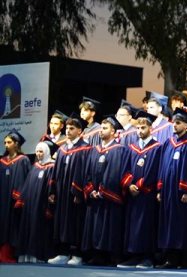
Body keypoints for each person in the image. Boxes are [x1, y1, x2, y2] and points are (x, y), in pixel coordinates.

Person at [156, 108, 187, 269]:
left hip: (182, 192)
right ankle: (171, 258)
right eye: (173, 123)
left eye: (178, 123)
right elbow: (162, 166)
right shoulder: (168, 143)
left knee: (183, 224)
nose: (175, 126)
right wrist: (160, 188)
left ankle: (185, 259)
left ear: (186, 125)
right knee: (169, 223)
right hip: (168, 191)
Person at [81, 116, 130, 265]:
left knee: (110, 227)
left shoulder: (119, 149)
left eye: (105, 128)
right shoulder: (95, 150)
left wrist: (103, 190)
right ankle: (97, 255)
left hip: (109, 198)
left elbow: (115, 173)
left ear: (113, 131)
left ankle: (111, 256)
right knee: (95, 226)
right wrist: (91, 189)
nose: (101, 131)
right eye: (101, 128)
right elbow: (87, 172)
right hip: (95, 197)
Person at [47, 117, 94, 266]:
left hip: (75, 194)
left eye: (72, 128)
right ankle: (63, 252)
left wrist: (79, 192)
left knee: (75, 222)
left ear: (79, 131)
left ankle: (77, 254)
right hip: (62, 192)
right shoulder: (62, 149)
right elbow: (55, 172)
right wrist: (52, 191)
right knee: (61, 221)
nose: (68, 131)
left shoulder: (86, 149)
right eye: (67, 128)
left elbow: (87, 172)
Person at [119, 111, 163, 268]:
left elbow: (155, 170)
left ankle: (147, 258)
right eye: (138, 128)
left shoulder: (157, 148)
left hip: (147, 194)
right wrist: (129, 184)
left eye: (143, 128)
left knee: (146, 225)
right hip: (133, 195)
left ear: (151, 128)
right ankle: (134, 256)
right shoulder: (132, 147)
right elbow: (125, 168)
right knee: (132, 225)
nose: (139, 131)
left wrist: (139, 185)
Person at [15, 141, 56, 262]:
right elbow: (27, 184)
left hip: (41, 205)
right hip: (30, 204)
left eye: (41, 151)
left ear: (47, 152)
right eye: (37, 151)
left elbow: (52, 187)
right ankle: (26, 254)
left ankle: (38, 256)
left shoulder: (52, 167)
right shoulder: (35, 166)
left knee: (38, 229)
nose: (38, 154)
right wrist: (21, 201)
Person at [1, 130, 31, 262]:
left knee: (14, 225)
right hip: (3, 199)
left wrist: (20, 196)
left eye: (9, 142)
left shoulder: (23, 160)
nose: (6, 145)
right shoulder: (2, 161)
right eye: (5, 143)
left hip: (16, 201)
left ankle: (12, 253)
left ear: (16, 144)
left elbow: (27, 180)